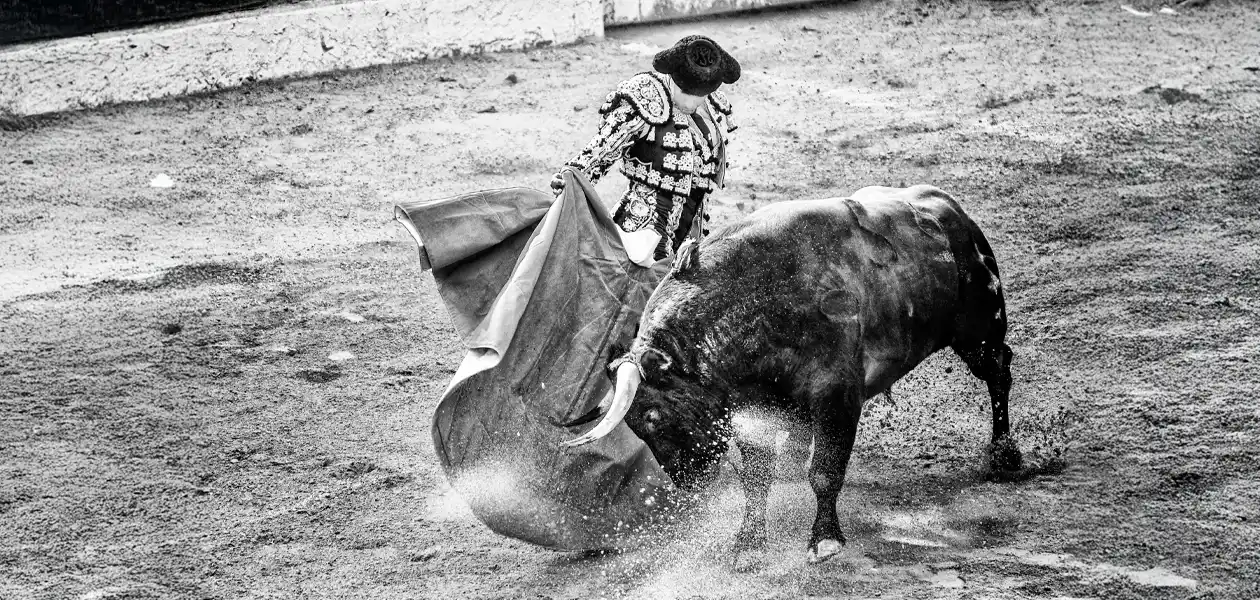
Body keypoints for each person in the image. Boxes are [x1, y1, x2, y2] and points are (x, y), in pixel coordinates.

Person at [551, 35, 741, 267]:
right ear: (672, 77)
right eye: (685, 92)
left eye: (700, 96)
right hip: (644, 225)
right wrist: (570, 176)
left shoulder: (712, 106)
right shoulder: (645, 97)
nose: (692, 103)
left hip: (692, 228)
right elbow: (603, 150)